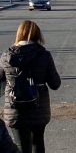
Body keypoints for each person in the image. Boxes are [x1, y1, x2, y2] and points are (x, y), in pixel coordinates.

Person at [0, 20, 61, 153]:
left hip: (14, 106)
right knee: (38, 143)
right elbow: (55, 84)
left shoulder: (6, 55)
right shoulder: (44, 55)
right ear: (38, 35)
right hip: (38, 106)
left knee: (21, 147)